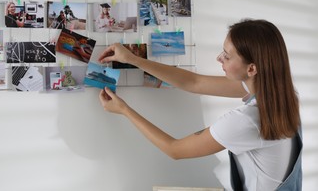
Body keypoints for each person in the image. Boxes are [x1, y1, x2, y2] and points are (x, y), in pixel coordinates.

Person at [98, 19, 302, 190]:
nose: (218, 58)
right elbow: (194, 82)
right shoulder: (282, 95)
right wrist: (134, 60)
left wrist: (124, 110)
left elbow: (174, 149)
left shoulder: (246, 121)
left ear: (251, 69)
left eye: (227, 56)